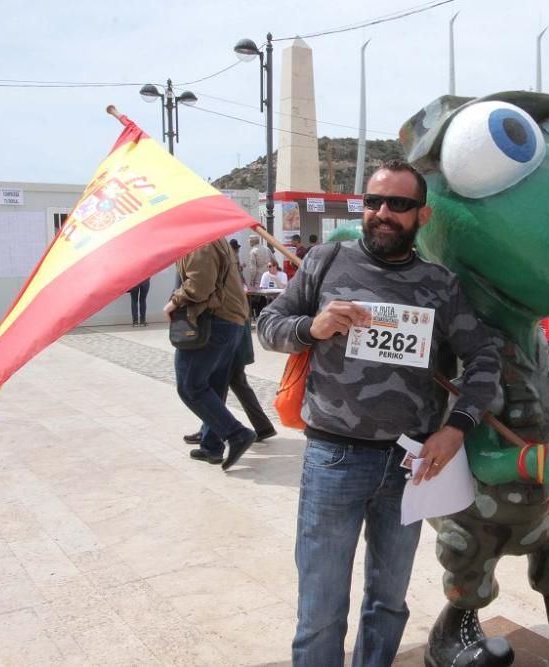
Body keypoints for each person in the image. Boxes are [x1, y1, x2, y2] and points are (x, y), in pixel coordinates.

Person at [256, 159, 502, 667]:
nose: (383, 213)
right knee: (321, 609)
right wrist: (313, 327)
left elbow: (484, 358)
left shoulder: (440, 284)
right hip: (332, 460)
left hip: (409, 467)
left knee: (388, 604)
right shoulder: (325, 261)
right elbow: (269, 325)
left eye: (399, 204)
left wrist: (458, 429)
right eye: (374, 202)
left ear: (423, 215)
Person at [166, 238, 257, 469]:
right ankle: (211, 445)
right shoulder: (214, 238)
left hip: (214, 321)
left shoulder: (200, 241)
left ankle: (236, 434)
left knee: (190, 386)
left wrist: (174, 302)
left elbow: (200, 284)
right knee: (214, 385)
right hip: (229, 320)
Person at [183, 316, 277, 446]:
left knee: (216, 387)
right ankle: (263, 426)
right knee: (238, 384)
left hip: (229, 341)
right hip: (235, 340)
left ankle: (209, 432)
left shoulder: (227, 297)